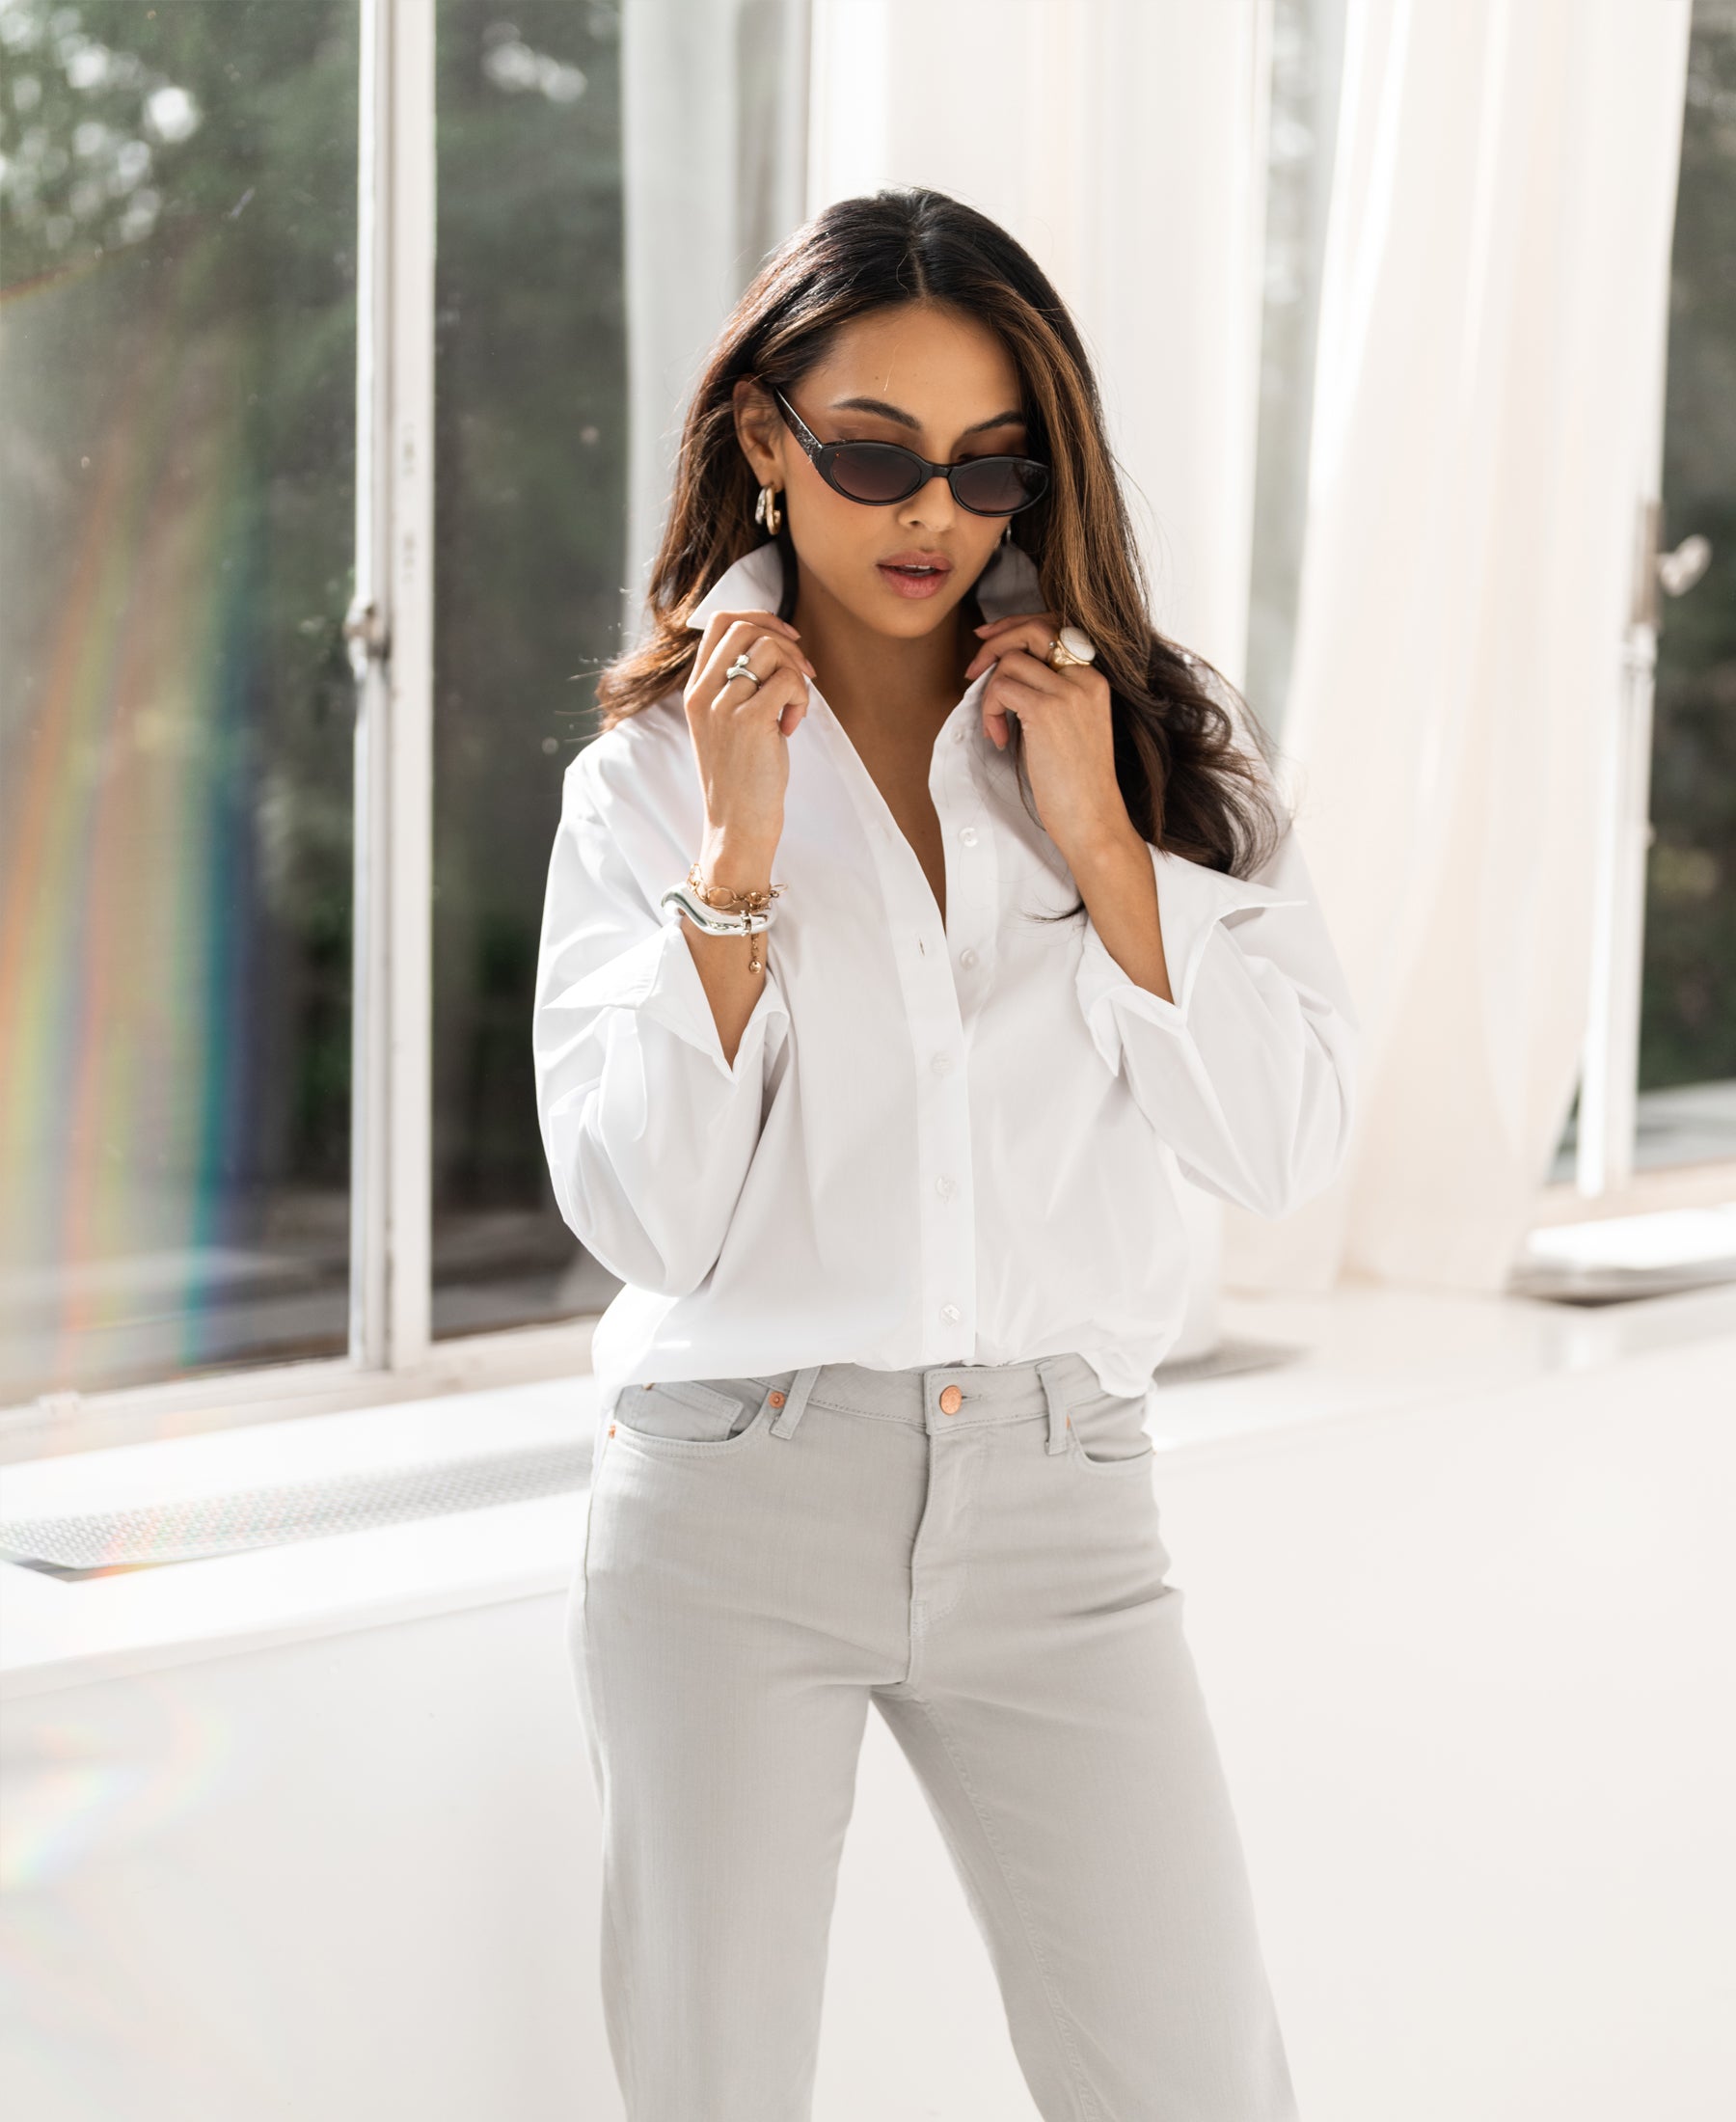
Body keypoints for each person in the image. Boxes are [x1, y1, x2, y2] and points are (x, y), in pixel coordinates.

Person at [532, 186, 1357, 2122]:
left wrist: (1098, 846)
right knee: (716, 2088)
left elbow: (1284, 1142)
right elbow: (648, 1210)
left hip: (1062, 1493)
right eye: (874, 453)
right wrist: (734, 869)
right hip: (734, 1494)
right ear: (766, 441)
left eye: (986, 464)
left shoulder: (1148, 754)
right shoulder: (647, 782)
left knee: (1197, 2081)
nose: (931, 515)